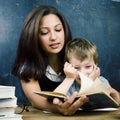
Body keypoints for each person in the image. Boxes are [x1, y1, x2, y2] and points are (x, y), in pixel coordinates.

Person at [12, 5, 99, 115]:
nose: (53, 37)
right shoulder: (28, 67)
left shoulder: (74, 57)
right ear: (33, 36)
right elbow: (37, 102)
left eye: (58, 30)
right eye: (44, 32)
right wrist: (59, 109)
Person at [58, 38, 120, 104]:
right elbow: (57, 100)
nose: (83, 73)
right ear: (68, 67)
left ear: (96, 66)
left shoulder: (102, 82)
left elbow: (109, 104)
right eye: (76, 68)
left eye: (88, 67)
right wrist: (89, 80)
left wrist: (91, 82)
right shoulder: (69, 84)